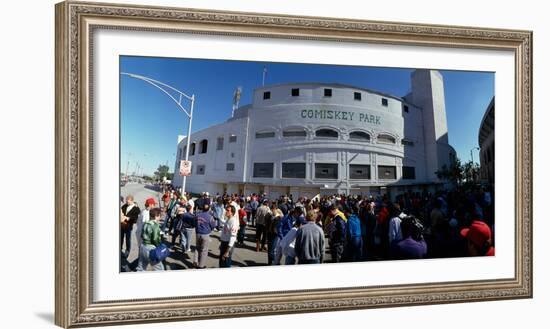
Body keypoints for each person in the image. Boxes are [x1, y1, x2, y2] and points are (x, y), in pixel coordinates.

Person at [193, 204, 217, 268]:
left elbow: (194, 222)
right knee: (204, 250)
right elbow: (213, 225)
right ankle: (201, 265)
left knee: (197, 248)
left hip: (198, 233)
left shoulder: (198, 215)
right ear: (209, 209)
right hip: (205, 234)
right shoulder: (210, 217)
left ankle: (195, 261)